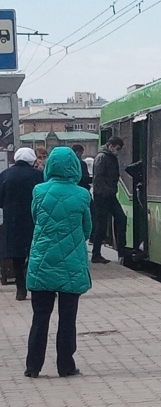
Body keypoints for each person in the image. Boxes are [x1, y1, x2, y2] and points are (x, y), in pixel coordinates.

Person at [24, 147, 92, 378]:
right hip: (71, 263)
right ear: (73, 166)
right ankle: (65, 364)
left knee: (40, 316)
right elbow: (87, 229)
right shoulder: (82, 194)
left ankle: (33, 366)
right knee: (67, 317)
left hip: (41, 260)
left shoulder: (39, 191)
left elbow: (36, 218)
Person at [0, 147, 44, 300]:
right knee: (35, 253)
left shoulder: (5, 175)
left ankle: (20, 289)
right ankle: (36, 286)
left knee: (16, 255)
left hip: (12, 220)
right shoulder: (38, 175)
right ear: (32, 159)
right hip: (34, 219)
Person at [91, 136, 127, 264]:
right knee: (101, 225)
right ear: (111, 146)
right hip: (102, 196)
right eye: (117, 148)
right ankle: (96, 254)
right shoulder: (102, 158)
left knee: (121, 218)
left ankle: (122, 252)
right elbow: (98, 179)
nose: (118, 151)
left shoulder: (110, 157)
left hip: (109, 195)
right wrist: (107, 192)